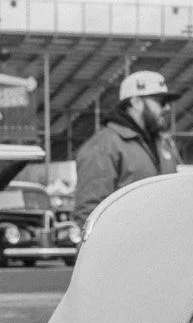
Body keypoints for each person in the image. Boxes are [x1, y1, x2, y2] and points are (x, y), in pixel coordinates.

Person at [74, 69, 180, 225]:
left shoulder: (162, 144)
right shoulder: (104, 146)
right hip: (125, 245)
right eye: (161, 101)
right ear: (136, 102)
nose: (166, 108)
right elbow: (90, 212)